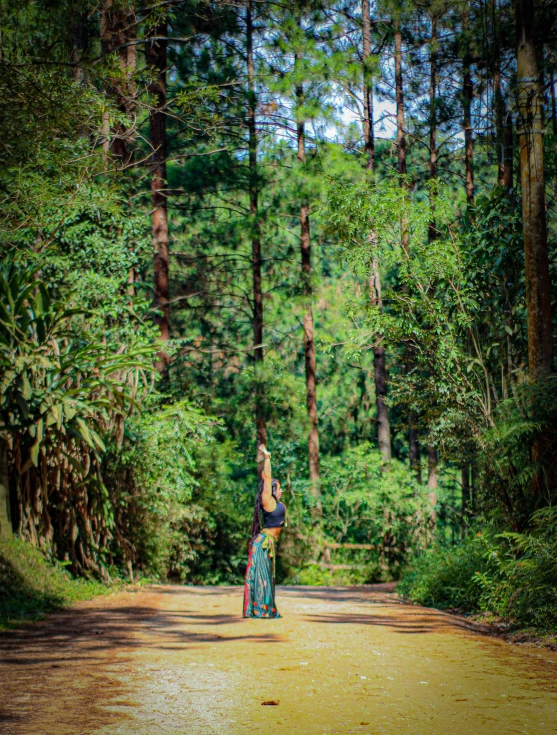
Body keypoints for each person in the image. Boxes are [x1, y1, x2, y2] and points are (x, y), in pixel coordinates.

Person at [243, 445, 285, 618]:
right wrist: (267, 457)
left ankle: (266, 610)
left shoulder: (278, 504)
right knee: (260, 579)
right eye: (279, 488)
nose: (281, 491)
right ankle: (260, 611)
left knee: (267, 578)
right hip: (262, 545)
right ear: (272, 490)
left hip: (269, 545)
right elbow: (267, 478)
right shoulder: (268, 501)